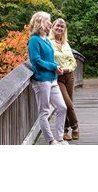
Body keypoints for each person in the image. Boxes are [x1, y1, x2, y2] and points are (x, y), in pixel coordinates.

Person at [26, 11, 68, 145]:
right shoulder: (34, 40)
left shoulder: (46, 40)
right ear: (40, 23)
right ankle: (51, 140)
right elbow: (36, 61)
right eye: (48, 21)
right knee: (44, 111)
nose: (50, 23)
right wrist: (53, 66)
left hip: (52, 79)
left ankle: (60, 138)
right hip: (42, 80)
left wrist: (56, 67)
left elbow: (49, 59)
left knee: (62, 107)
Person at [49, 18, 80, 141]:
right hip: (58, 77)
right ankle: (76, 126)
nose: (59, 28)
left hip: (70, 76)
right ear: (52, 27)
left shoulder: (66, 43)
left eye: (62, 27)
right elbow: (48, 59)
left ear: (65, 30)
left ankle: (65, 131)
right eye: (57, 26)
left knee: (69, 103)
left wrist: (68, 69)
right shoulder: (49, 43)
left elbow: (73, 61)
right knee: (67, 104)